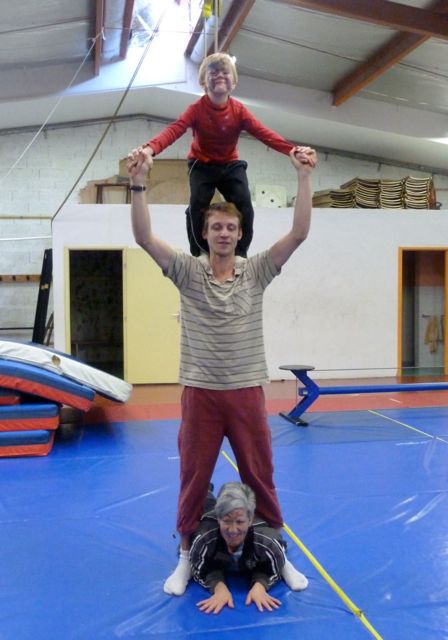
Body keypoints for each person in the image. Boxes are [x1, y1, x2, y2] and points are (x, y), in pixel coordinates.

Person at [126, 142, 316, 597]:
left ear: (240, 232)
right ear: (204, 233)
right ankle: (185, 555)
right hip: (201, 393)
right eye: (216, 227)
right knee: (194, 478)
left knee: (260, 475)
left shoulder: (257, 272)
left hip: (247, 390)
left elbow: (299, 233)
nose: (224, 233)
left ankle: (278, 551)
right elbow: (144, 238)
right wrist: (138, 184)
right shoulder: (188, 272)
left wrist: (304, 177)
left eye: (231, 227)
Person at [129, 52, 316, 257]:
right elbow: (175, 129)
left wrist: (291, 150)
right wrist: (149, 149)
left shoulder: (239, 111)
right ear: (203, 83)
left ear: (233, 82)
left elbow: (263, 133)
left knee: (245, 205)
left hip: (230, 165)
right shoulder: (196, 109)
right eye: (213, 73)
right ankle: (200, 253)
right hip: (201, 164)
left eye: (225, 72)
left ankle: (240, 253)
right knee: (197, 205)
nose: (219, 75)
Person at [191, 482, 308, 614]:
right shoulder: (205, 538)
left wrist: (260, 584)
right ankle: (207, 489)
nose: (233, 530)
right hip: (211, 516)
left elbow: (272, 566)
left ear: (250, 520)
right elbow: (198, 564)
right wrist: (218, 586)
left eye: (240, 522)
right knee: (203, 499)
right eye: (227, 521)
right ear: (218, 519)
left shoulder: (265, 541)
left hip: (258, 537)